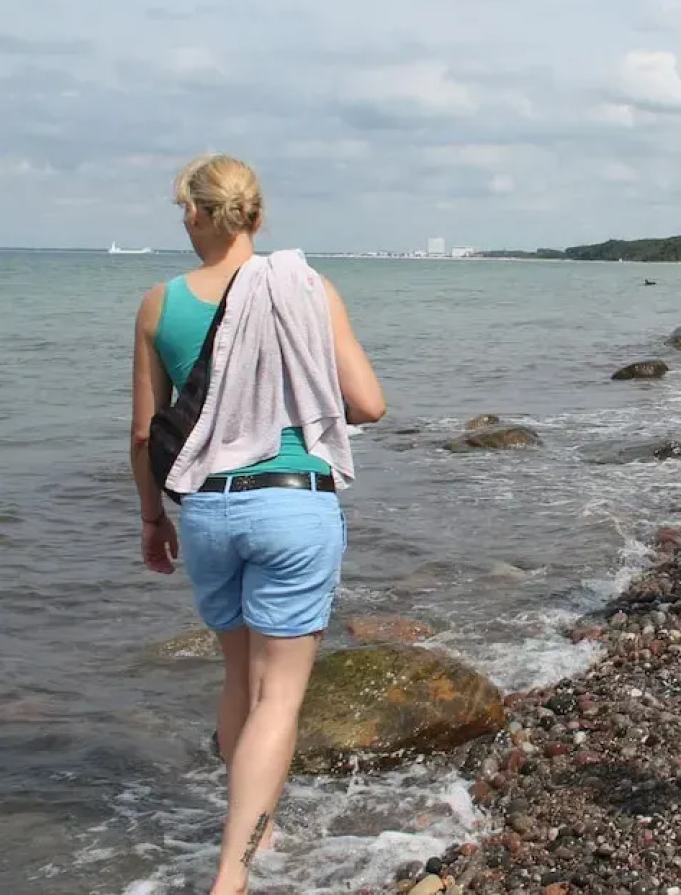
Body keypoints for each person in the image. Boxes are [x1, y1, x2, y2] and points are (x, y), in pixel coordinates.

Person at [129, 155, 385, 895]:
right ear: (257, 216)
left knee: (239, 675)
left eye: (183, 210)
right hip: (293, 502)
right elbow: (368, 405)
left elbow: (146, 435)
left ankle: (259, 827)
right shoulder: (307, 286)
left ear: (198, 215)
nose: (184, 221)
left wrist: (152, 520)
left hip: (207, 507)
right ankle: (231, 879)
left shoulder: (159, 303)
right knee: (281, 696)